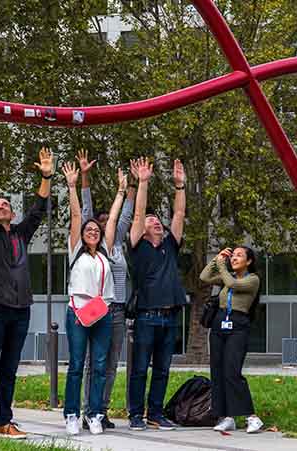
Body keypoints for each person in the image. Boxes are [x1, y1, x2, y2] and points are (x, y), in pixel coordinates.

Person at [0, 149, 55, 439]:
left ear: (13, 214)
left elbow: (39, 207)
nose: (1, 206)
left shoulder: (21, 233)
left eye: (6, 204)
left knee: (10, 370)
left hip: (20, 311)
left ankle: (4, 423)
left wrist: (46, 175)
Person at [59, 160, 125, 436]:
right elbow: (77, 217)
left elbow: (111, 219)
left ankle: (95, 413)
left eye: (96, 230)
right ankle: (72, 414)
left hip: (102, 311)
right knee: (76, 365)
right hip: (78, 310)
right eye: (89, 230)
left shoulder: (106, 252)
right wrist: (72, 186)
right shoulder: (76, 251)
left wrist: (121, 192)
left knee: (99, 365)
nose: (93, 231)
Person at [74, 150, 135, 430]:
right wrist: (84, 177)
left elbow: (122, 217)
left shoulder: (116, 246)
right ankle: (88, 409)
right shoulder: (90, 248)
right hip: (94, 309)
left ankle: (101, 409)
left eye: (103, 225)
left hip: (118, 310)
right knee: (92, 362)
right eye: (96, 226)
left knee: (109, 365)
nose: (100, 227)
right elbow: (85, 214)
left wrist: (129, 188)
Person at [126, 157, 187, 431]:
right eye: (152, 221)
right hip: (146, 318)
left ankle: (156, 413)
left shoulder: (170, 246)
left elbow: (178, 215)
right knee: (140, 370)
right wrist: (143, 182)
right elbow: (138, 215)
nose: (156, 222)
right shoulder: (139, 248)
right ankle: (136, 415)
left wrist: (180, 187)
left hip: (169, 317)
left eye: (157, 220)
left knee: (162, 371)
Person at [200, 246, 264, 434]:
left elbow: (233, 284)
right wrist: (217, 259)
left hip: (238, 324)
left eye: (239, 256)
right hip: (220, 322)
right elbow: (204, 277)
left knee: (232, 371)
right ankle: (225, 416)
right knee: (217, 371)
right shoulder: (227, 277)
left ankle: (251, 417)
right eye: (233, 255)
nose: (234, 258)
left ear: (249, 261)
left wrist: (221, 265)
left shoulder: (252, 279)